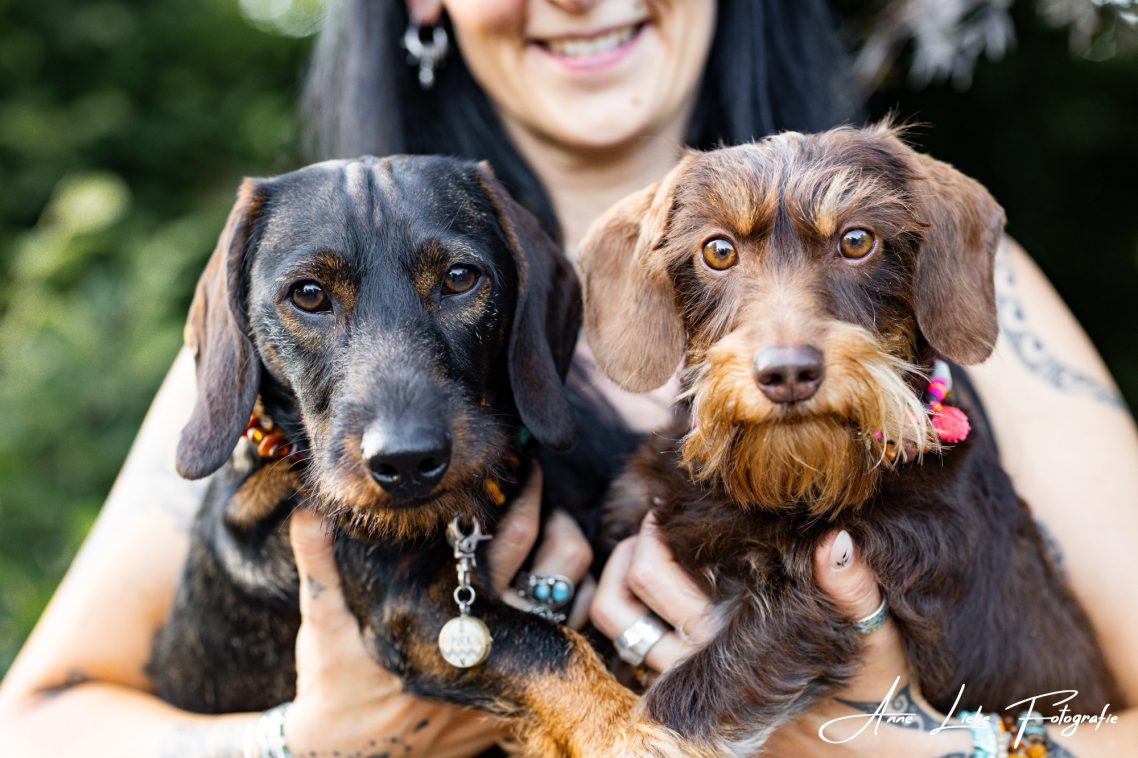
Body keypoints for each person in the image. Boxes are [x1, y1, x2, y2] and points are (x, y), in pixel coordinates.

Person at [1, 0, 1136, 755]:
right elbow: (38, 720)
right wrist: (311, 732)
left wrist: (903, 739)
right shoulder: (299, 308)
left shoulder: (945, 264)